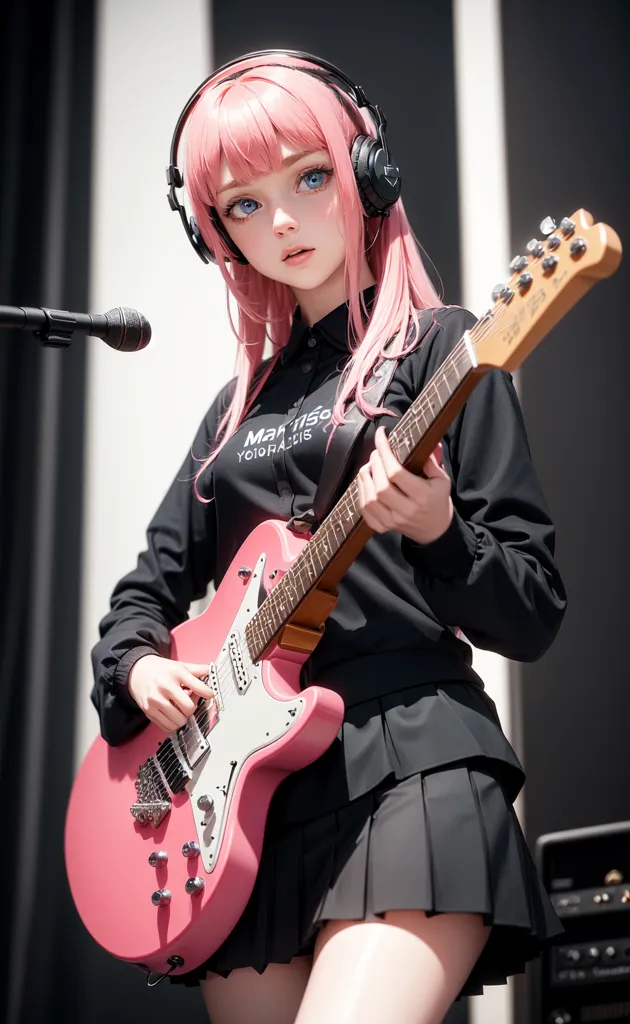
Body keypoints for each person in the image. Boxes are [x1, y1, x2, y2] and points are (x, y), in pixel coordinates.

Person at [90, 50, 567, 1024]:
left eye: (309, 176)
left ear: (369, 172)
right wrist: (139, 670)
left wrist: (438, 528)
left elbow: (532, 607)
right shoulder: (236, 411)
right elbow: (142, 594)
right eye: (244, 205)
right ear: (214, 232)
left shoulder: (446, 351)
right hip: (240, 804)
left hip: (412, 762)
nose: (284, 222)